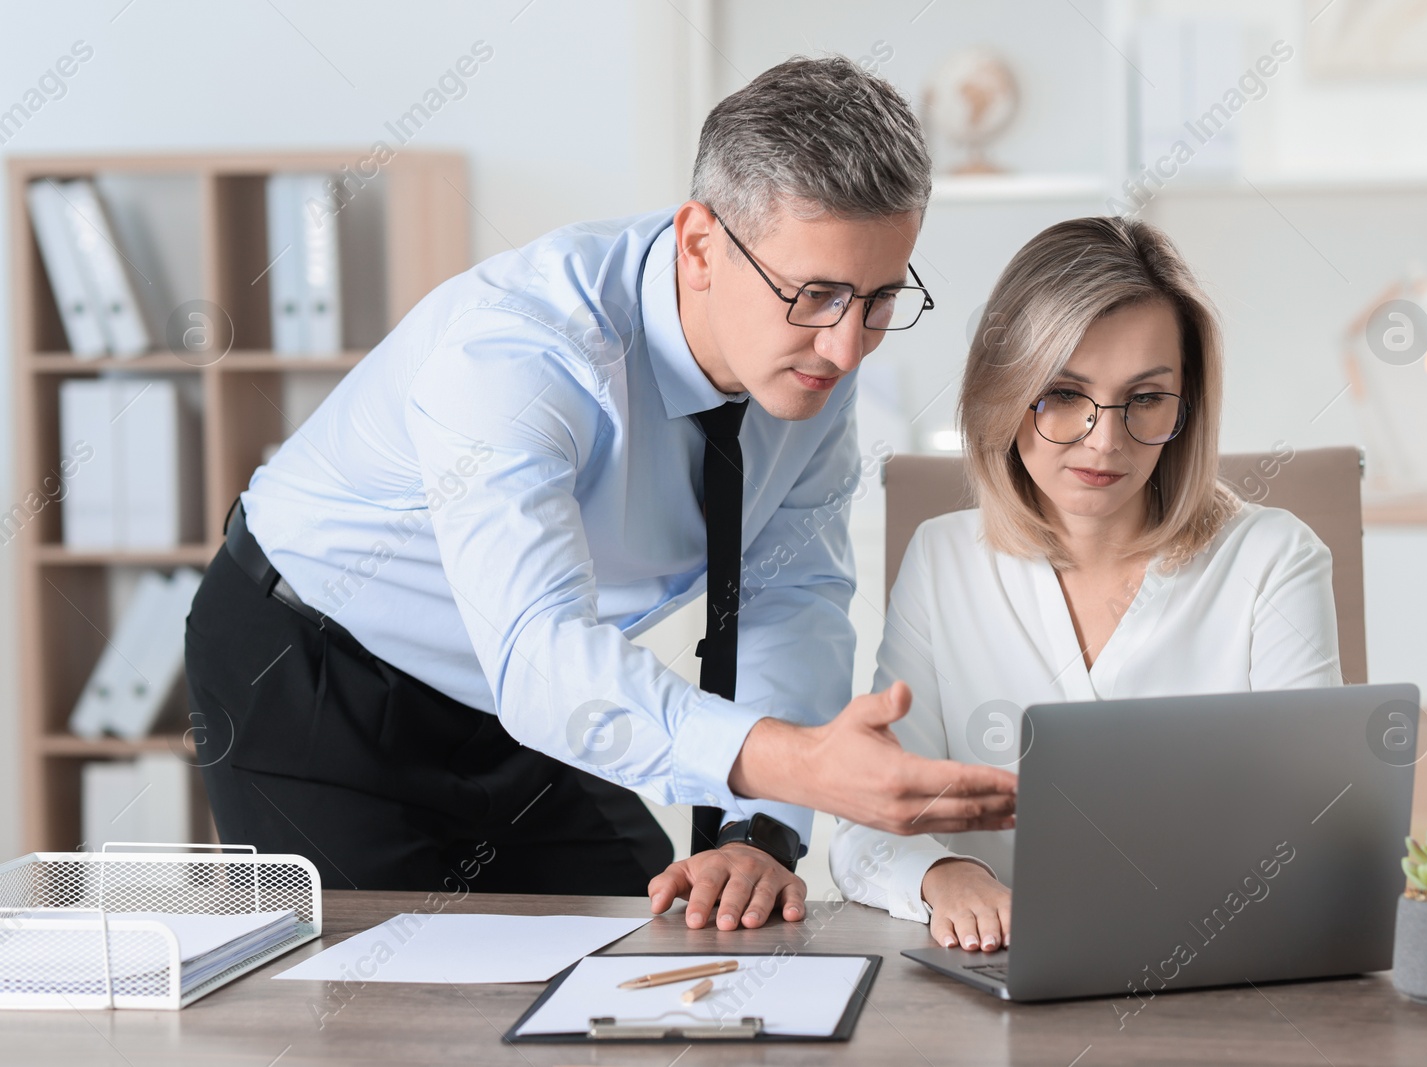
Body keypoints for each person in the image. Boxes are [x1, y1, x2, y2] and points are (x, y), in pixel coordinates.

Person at [184, 56, 1016, 932]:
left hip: (523, 697)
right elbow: (539, 655)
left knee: (638, 940)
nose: (849, 349)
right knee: (380, 999)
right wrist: (796, 763)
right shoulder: (518, 352)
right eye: (816, 296)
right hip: (314, 671)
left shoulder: (812, 362)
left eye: (881, 298)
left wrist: (762, 828)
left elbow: (793, 596)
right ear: (700, 245)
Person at [829, 216, 1341, 952]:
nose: (1105, 440)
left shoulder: (1272, 558)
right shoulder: (944, 559)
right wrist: (949, 876)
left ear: (1186, 405)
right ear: (1004, 393)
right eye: (1065, 393)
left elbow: (1318, 825)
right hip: (998, 982)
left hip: (1216, 974)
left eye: (1145, 399)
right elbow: (870, 821)